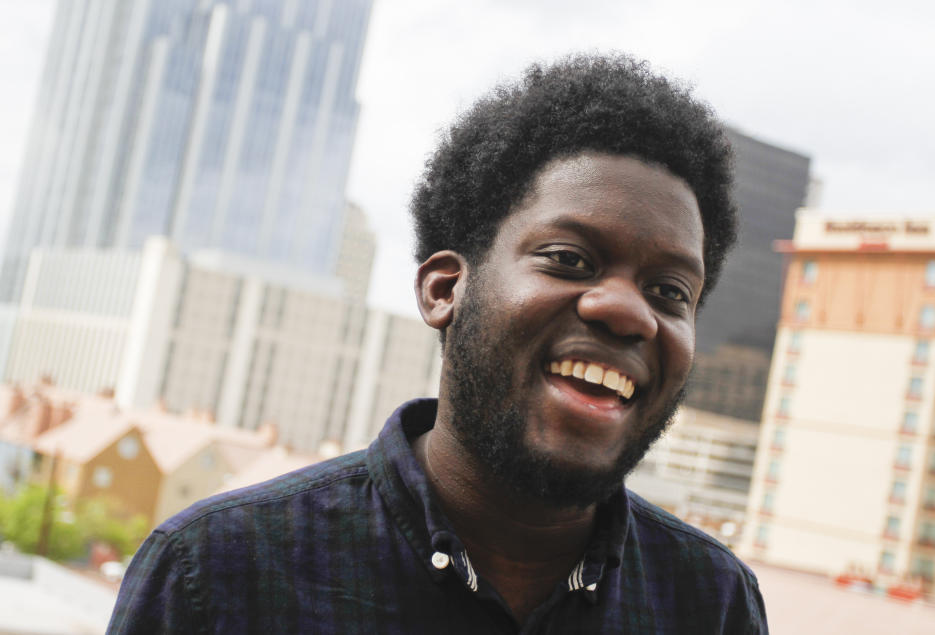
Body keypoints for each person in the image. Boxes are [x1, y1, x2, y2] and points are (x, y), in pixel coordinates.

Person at [109, 54, 767, 634]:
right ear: (444, 288)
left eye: (670, 292)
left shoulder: (712, 604)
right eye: (569, 258)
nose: (630, 313)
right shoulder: (217, 574)